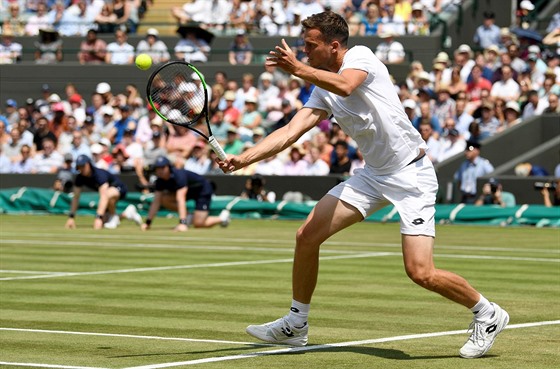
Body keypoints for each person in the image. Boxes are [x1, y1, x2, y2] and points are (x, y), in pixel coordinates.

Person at [217, 11, 509, 358]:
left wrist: (297, 68)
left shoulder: (360, 58)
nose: (305, 52)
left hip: (411, 175)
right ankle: (297, 324)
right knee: (306, 236)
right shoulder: (321, 88)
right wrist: (245, 158)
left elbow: (347, 85)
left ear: (334, 46)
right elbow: (290, 132)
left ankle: (488, 313)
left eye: (311, 46)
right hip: (373, 175)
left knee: (420, 272)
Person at [140, 156, 230, 232]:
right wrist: (148, 223)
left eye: (163, 168)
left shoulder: (179, 175)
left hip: (203, 190)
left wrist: (182, 223)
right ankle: (189, 216)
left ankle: (222, 218)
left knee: (198, 224)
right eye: (158, 168)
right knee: (163, 199)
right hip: (189, 192)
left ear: (168, 167)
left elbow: (180, 199)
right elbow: (156, 201)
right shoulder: (160, 180)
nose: (160, 171)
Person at [65, 155, 142, 230]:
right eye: (79, 167)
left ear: (88, 164)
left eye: (83, 166)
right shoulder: (80, 178)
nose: (81, 169)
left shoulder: (99, 175)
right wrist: (71, 217)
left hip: (119, 188)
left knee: (107, 195)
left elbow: (104, 196)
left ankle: (113, 217)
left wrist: (98, 217)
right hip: (107, 195)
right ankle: (127, 213)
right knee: (104, 223)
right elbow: (76, 197)